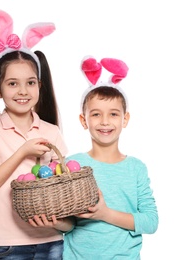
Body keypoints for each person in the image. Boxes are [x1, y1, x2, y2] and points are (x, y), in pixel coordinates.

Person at [0, 9, 73, 260]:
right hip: (8, 244)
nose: (22, 91)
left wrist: (63, 223)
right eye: (12, 83)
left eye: (30, 82)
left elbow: (62, 183)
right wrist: (22, 151)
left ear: (39, 86)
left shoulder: (51, 131)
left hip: (51, 240)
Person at [62, 56, 159, 259]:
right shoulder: (73, 164)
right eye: (96, 114)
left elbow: (150, 222)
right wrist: (52, 222)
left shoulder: (135, 168)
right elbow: (68, 224)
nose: (105, 122)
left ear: (125, 119)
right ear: (83, 120)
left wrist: (104, 213)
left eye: (113, 114)